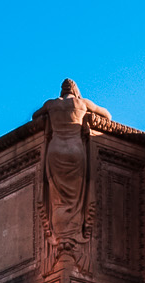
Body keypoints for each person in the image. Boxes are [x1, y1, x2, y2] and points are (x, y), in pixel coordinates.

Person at [40, 79, 111, 257]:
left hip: (55, 150)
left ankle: (61, 234)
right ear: (75, 90)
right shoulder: (82, 103)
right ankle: (71, 232)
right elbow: (107, 115)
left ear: (61, 91)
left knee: (57, 198)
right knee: (76, 196)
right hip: (75, 150)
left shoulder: (51, 104)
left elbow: (36, 116)